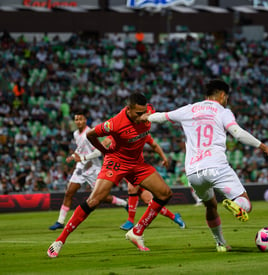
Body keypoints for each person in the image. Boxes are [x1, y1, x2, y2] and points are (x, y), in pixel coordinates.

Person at [142, 79, 268, 252]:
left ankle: (220, 243)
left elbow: (162, 117)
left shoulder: (188, 109)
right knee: (246, 204)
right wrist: (263, 146)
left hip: (193, 172)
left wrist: (146, 116)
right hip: (217, 167)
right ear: (222, 95)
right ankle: (237, 205)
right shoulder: (223, 111)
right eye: (226, 96)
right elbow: (237, 133)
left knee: (210, 205)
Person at [47, 93, 174, 258]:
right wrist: (103, 150)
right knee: (94, 201)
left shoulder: (148, 111)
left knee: (165, 193)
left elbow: (160, 118)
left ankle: (137, 231)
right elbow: (91, 134)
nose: (143, 117)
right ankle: (59, 241)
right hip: (116, 161)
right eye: (138, 114)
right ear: (128, 110)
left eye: (144, 112)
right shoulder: (114, 124)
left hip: (137, 163)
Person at [49, 112, 127, 230]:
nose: (78, 122)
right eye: (76, 119)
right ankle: (60, 221)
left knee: (101, 197)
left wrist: (83, 158)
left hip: (93, 169)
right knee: (69, 192)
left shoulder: (90, 133)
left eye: (80, 119)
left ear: (85, 120)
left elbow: (98, 152)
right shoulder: (76, 134)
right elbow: (80, 148)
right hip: (81, 168)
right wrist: (73, 155)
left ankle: (124, 203)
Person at [119, 134, 186, 231]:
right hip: (126, 169)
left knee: (132, 188)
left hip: (136, 168)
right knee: (150, 202)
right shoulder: (119, 132)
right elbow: (108, 142)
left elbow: (154, 144)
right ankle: (174, 217)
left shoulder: (140, 133)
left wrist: (163, 157)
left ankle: (130, 221)